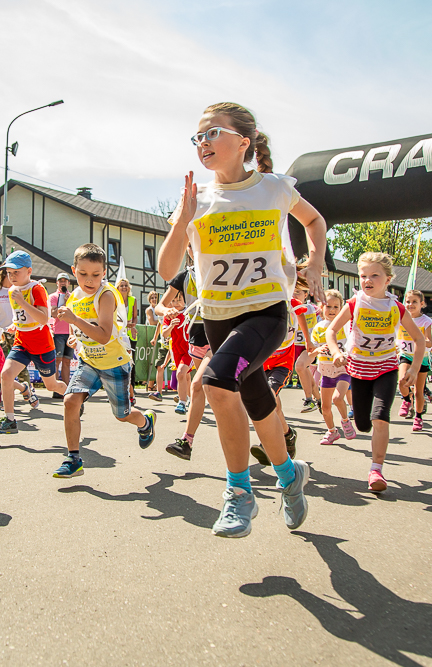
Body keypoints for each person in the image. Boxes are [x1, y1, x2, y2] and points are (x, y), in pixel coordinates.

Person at [158, 102, 324, 538]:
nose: (203, 143)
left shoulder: (272, 188)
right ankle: (290, 476)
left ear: (243, 142)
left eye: (213, 133)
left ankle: (239, 494)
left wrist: (317, 263)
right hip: (217, 316)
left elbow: (315, 220)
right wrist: (183, 218)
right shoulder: (196, 200)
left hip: (266, 312)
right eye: (198, 137)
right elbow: (165, 268)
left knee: (214, 382)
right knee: (253, 398)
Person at [52, 243, 156, 477]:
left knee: (122, 416)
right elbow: (76, 327)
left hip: (114, 362)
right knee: (70, 401)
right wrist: (73, 336)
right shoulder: (74, 298)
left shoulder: (106, 295)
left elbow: (102, 335)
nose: (89, 280)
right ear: (73, 270)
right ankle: (73, 459)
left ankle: (145, 422)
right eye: (83, 274)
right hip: (89, 362)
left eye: (96, 275)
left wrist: (76, 321)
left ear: (104, 273)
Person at [327, 253, 425, 493]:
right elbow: (331, 331)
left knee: (380, 417)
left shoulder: (396, 306)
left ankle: (376, 470)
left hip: (386, 368)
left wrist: (413, 368)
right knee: (363, 424)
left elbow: (419, 340)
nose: (367, 280)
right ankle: (361, 428)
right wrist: (336, 352)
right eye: (363, 276)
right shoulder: (354, 303)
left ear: (388, 279)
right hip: (359, 369)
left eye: (374, 275)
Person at [0, 250, 68, 434]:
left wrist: (22, 302)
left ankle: (74, 397)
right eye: (9, 272)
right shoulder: (11, 290)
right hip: (22, 342)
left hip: (42, 345)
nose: (12, 276)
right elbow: (22, 317)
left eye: (16, 271)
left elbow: (42, 318)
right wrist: (15, 326)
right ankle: (9, 420)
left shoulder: (37, 289)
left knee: (51, 385)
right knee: (6, 375)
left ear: (29, 271)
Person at [249, 279, 313, 466]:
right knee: (274, 406)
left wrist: (308, 341)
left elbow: (300, 316)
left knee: (267, 398)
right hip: (261, 363)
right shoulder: (262, 303)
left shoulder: (293, 305)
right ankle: (287, 434)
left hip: (282, 364)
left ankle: (266, 443)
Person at [158, 265, 213, 460]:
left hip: (219, 335)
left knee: (198, 385)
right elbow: (159, 306)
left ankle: (186, 440)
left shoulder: (223, 261)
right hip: (196, 340)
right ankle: (283, 433)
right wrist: (167, 311)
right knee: (204, 389)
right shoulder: (185, 275)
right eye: (190, 243)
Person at [311, 290, 355, 445]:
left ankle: (345, 421)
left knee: (338, 398)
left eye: (336, 307)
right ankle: (332, 431)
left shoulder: (345, 326)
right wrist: (317, 350)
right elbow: (312, 350)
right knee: (325, 407)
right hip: (326, 371)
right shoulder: (318, 328)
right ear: (321, 307)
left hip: (343, 370)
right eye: (328, 306)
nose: (332, 310)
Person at [397, 290, 432, 431]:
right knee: (402, 381)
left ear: (422, 304)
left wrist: (422, 340)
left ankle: (418, 417)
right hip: (406, 355)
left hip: (421, 358)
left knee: (418, 391)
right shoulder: (401, 318)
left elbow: (429, 342)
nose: (410, 305)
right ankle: (406, 400)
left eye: (414, 302)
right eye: (408, 302)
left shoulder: (426, 321)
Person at [160, 293, 191, 414]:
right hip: (176, 351)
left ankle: (182, 402)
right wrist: (171, 326)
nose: (176, 302)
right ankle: (190, 399)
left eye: (179, 299)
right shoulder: (168, 316)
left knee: (181, 373)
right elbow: (164, 334)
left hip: (189, 350)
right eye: (173, 300)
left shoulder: (190, 312)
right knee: (185, 376)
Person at [292, 284, 320, 412]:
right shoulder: (287, 309)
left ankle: (309, 400)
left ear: (305, 295)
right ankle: (319, 401)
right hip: (294, 347)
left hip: (310, 346)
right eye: (292, 292)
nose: (294, 295)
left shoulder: (312, 309)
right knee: (306, 374)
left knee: (300, 367)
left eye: (298, 292)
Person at [49, 272, 75, 393]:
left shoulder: (73, 296)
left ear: (69, 283)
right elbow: (54, 313)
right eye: (61, 280)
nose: (63, 282)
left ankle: (66, 389)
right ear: (57, 283)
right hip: (58, 332)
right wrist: (65, 304)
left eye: (65, 280)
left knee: (67, 362)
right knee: (57, 360)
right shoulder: (53, 297)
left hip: (70, 332)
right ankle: (56, 389)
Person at [117, 278, 139, 404]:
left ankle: (132, 391)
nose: (124, 287)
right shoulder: (114, 299)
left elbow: (135, 317)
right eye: (121, 286)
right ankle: (121, 390)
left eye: (126, 285)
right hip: (118, 334)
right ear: (118, 288)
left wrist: (133, 325)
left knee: (131, 364)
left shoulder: (133, 300)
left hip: (130, 334)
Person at [144, 291, 161, 391]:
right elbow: (152, 322)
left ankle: (154, 384)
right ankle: (150, 384)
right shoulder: (149, 310)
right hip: (151, 335)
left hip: (160, 335)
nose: (154, 299)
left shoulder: (160, 308)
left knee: (158, 360)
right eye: (152, 298)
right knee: (151, 359)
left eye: (156, 297)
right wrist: (162, 321)